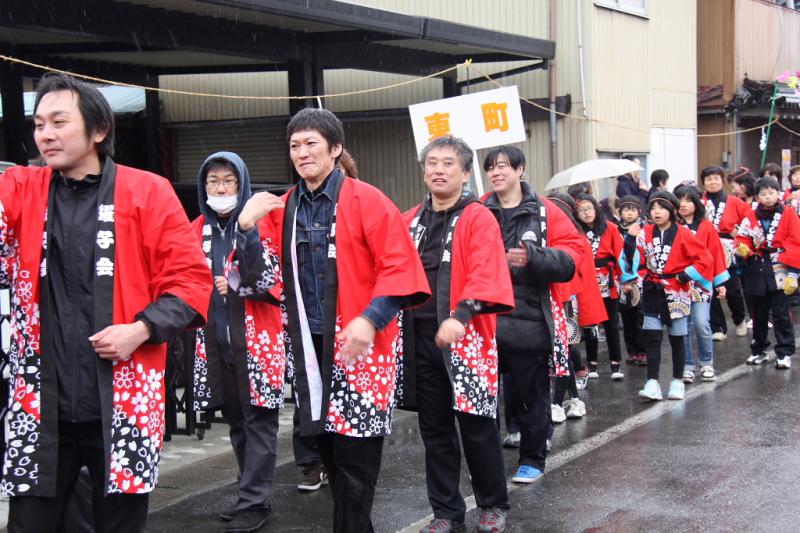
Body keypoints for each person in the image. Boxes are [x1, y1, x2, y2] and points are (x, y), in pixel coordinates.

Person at [0, 73, 211, 532]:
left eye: (59, 121)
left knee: (118, 525)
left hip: (123, 397)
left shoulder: (147, 191)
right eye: (38, 124)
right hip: (41, 403)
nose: (45, 134)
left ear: (98, 130)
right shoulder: (21, 189)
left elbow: (192, 282)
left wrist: (141, 328)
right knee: (27, 524)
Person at [234, 107, 429, 533]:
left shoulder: (367, 199)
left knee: (357, 466)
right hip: (309, 353)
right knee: (331, 455)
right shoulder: (280, 207)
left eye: (311, 144)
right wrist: (246, 228)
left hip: (363, 349)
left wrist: (368, 319)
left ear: (336, 149)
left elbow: (399, 270)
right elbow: (258, 279)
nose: (301, 154)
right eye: (294, 146)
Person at [398, 136, 514, 533]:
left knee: (477, 426)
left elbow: (487, 269)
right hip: (420, 337)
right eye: (431, 163)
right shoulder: (409, 219)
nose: (438, 170)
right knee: (434, 430)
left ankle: (493, 504)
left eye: (448, 163)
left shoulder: (479, 217)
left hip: (468, 339)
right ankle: (446, 511)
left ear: (465, 173)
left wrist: (461, 314)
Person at [190, 152, 283, 532]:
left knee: (259, 421)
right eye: (213, 181)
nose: (222, 188)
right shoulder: (197, 227)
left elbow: (272, 278)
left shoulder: (264, 221)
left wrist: (237, 283)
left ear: (242, 183)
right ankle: (250, 492)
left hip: (257, 342)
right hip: (217, 343)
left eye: (229, 180)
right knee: (236, 421)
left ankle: (255, 500)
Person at [482, 146, 583, 482]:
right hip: (485, 319)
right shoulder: (479, 209)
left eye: (503, 167)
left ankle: (533, 458)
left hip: (530, 318)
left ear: (520, 169)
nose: (496, 173)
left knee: (531, 393)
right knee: (482, 396)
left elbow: (572, 258)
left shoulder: (546, 211)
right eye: (491, 168)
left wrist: (535, 256)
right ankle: (491, 462)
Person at [621, 192, 714, 401]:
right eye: (653, 208)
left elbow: (705, 259)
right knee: (653, 338)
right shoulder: (644, 232)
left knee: (677, 337)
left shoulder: (684, 232)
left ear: (672, 210)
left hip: (676, 289)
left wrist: (686, 274)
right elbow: (631, 259)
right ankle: (652, 382)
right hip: (652, 290)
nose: (656, 212)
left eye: (662, 207)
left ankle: (677, 381)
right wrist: (630, 237)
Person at [547, 192, 607, 417]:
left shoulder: (575, 236)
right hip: (549, 298)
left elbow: (583, 276)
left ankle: (560, 401)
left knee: (561, 349)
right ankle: (573, 398)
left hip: (566, 299)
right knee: (557, 350)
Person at [735, 177, 800, 368]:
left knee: (780, 312)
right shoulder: (751, 216)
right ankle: (759, 349)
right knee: (759, 313)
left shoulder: (788, 214)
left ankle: (784, 352)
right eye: (763, 194)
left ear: (778, 193)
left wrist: (794, 273)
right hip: (757, 265)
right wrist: (742, 248)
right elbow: (742, 237)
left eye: (771, 193)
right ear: (756, 196)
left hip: (780, 264)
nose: (768, 197)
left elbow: (796, 242)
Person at [674, 185, 729, 383]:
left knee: (701, 323)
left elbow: (716, 253)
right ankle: (687, 365)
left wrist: (720, 282)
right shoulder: (672, 226)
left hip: (703, 282)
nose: (683, 204)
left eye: (688, 200)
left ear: (696, 203)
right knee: (683, 327)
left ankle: (707, 363)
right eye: (680, 199)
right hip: (678, 283)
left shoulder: (706, 226)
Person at [574, 193, 625, 380]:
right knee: (590, 323)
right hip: (587, 281)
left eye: (589, 208)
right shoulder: (576, 231)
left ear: (596, 208)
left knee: (611, 323)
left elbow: (620, 255)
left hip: (608, 280)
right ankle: (593, 364)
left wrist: (625, 280)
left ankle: (615, 364)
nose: (586, 213)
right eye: (581, 210)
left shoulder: (610, 228)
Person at [700, 166, 751, 340]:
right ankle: (718, 327)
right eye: (708, 179)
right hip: (705, 249)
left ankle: (739, 319)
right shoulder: (699, 202)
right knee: (709, 288)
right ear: (703, 182)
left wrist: (739, 236)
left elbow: (749, 220)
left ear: (722, 180)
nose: (712, 182)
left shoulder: (735, 202)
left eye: (715, 178)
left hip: (728, 248)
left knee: (733, 289)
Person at [616, 195, 648, 366]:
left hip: (640, 277)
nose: (629, 213)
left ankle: (643, 350)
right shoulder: (615, 230)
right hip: (620, 279)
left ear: (639, 212)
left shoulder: (645, 230)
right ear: (619, 212)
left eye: (633, 210)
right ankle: (632, 351)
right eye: (626, 210)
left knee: (640, 315)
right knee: (626, 316)